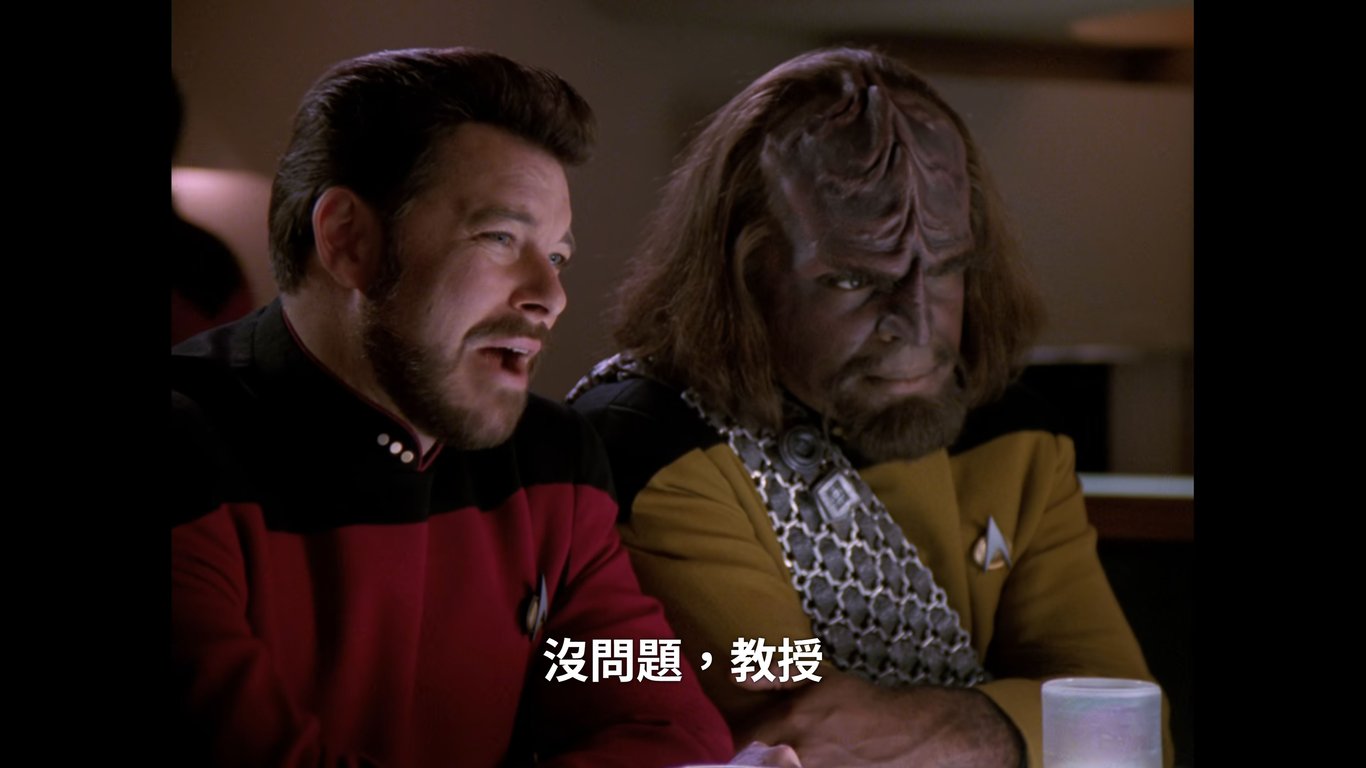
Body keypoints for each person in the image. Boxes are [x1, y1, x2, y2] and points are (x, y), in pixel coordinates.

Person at [568, 47, 1172, 768]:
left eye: (945, 268)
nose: (916, 323)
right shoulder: (654, 441)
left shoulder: (1017, 437)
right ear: (745, 274)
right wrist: (1033, 720)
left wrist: (961, 732)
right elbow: (800, 726)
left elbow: (1135, 726)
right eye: (855, 279)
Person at [170, 47, 738, 767]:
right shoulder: (187, 449)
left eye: (556, 256)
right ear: (348, 240)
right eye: (500, 238)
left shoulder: (556, 463)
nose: (551, 296)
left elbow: (664, 724)